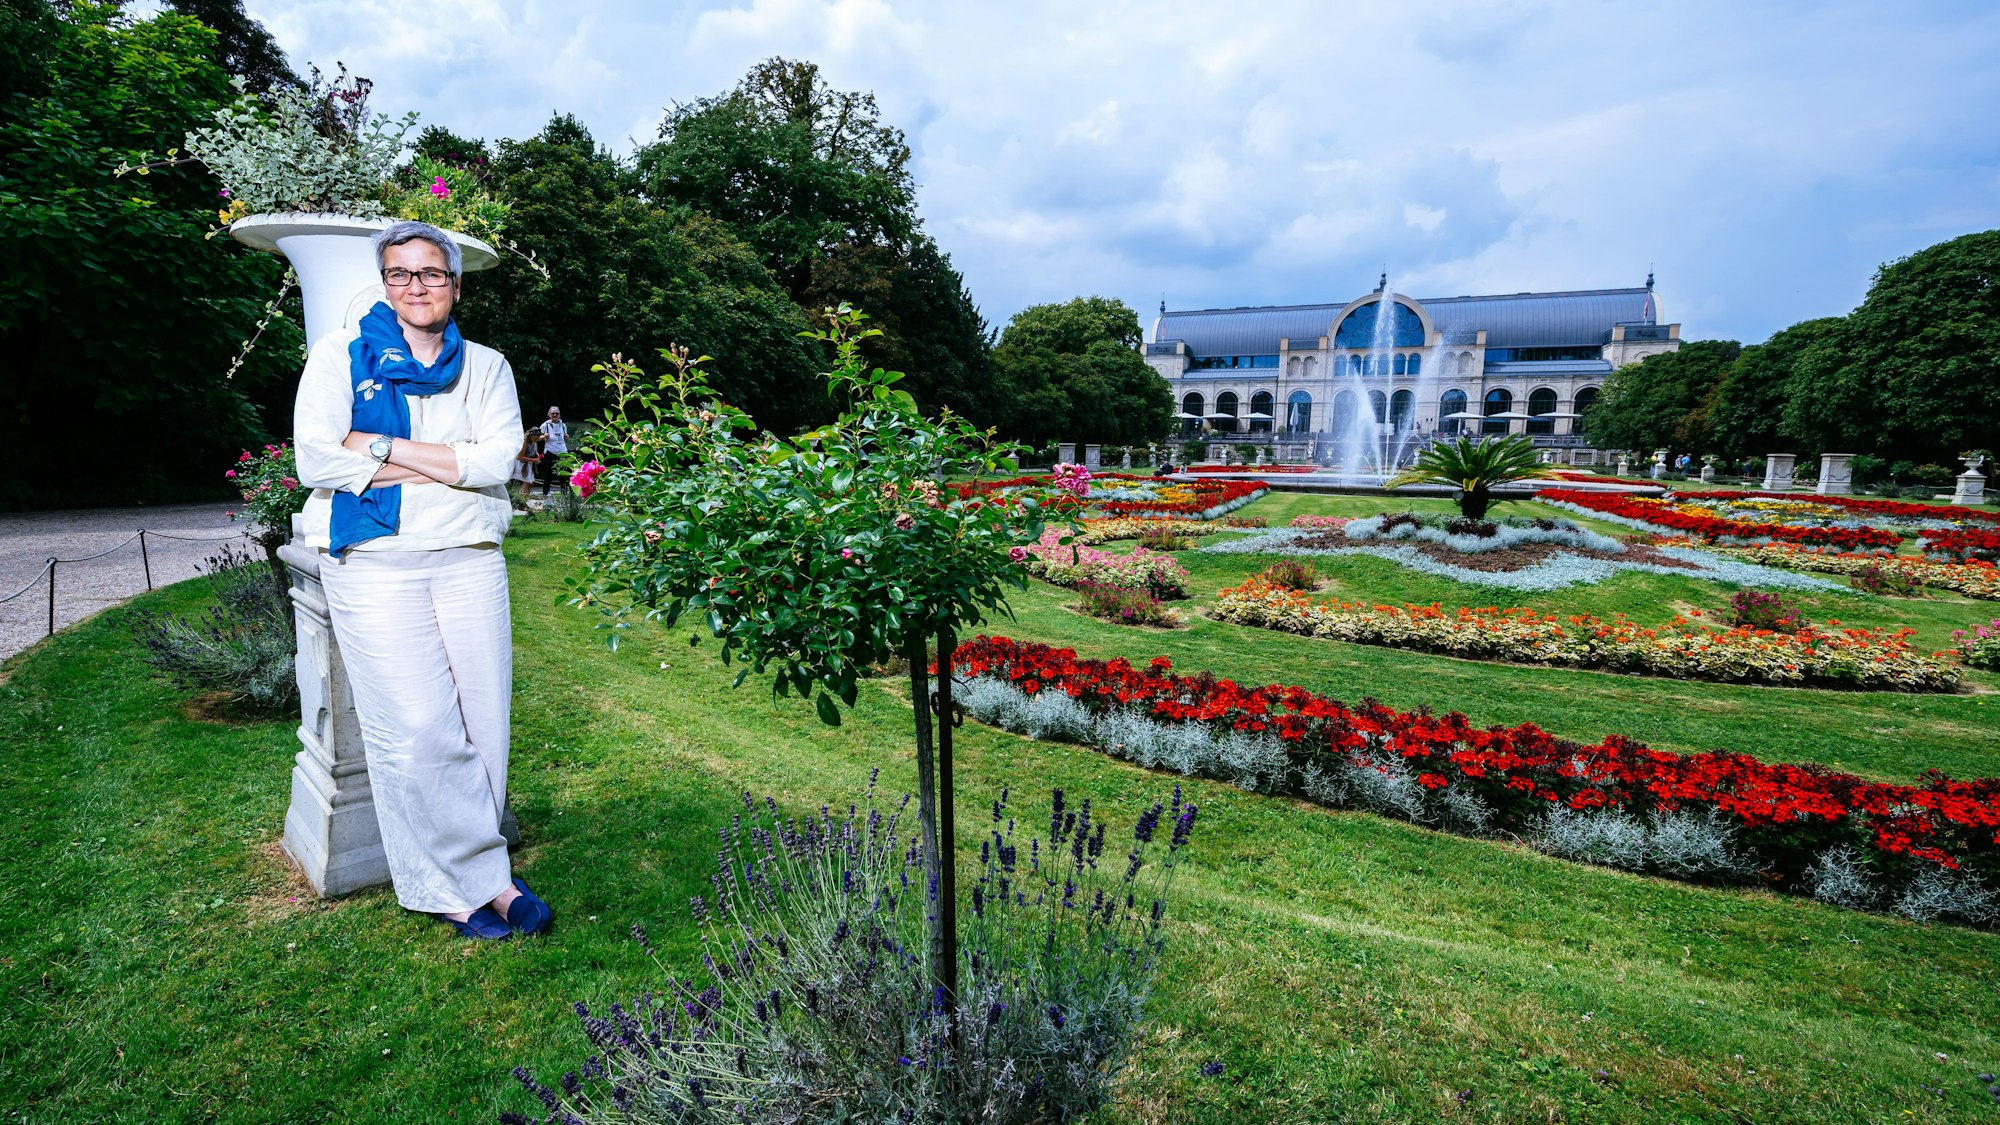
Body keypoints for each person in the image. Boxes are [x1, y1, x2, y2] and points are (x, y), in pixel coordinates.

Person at [293, 220, 551, 941]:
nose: (416, 286)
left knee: (482, 721)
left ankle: (478, 876)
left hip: (469, 555)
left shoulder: (487, 367)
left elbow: (495, 461)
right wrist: (447, 461)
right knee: (415, 727)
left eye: (432, 273)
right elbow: (317, 459)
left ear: (455, 285)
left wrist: (378, 449)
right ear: (385, 284)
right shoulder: (339, 356)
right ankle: (465, 886)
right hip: (375, 559)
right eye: (401, 273)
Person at [537, 406, 569, 495]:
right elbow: (536, 438)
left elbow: (565, 437)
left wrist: (566, 436)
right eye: (552, 413)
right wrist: (543, 436)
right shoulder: (545, 425)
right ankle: (545, 493)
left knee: (563, 473)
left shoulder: (563, 425)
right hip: (550, 451)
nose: (554, 415)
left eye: (556, 413)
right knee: (548, 473)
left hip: (562, 452)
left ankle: (564, 494)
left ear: (559, 415)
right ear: (549, 414)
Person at [510, 428, 541, 509]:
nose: (537, 439)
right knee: (526, 483)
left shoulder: (534, 441)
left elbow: (535, 451)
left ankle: (524, 501)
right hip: (522, 464)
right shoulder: (525, 442)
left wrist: (537, 455)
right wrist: (534, 460)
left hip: (529, 464)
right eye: (535, 437)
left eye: (538, 437)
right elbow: (519, 457)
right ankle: (521, 503)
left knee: (530, 484)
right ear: (531, 436)